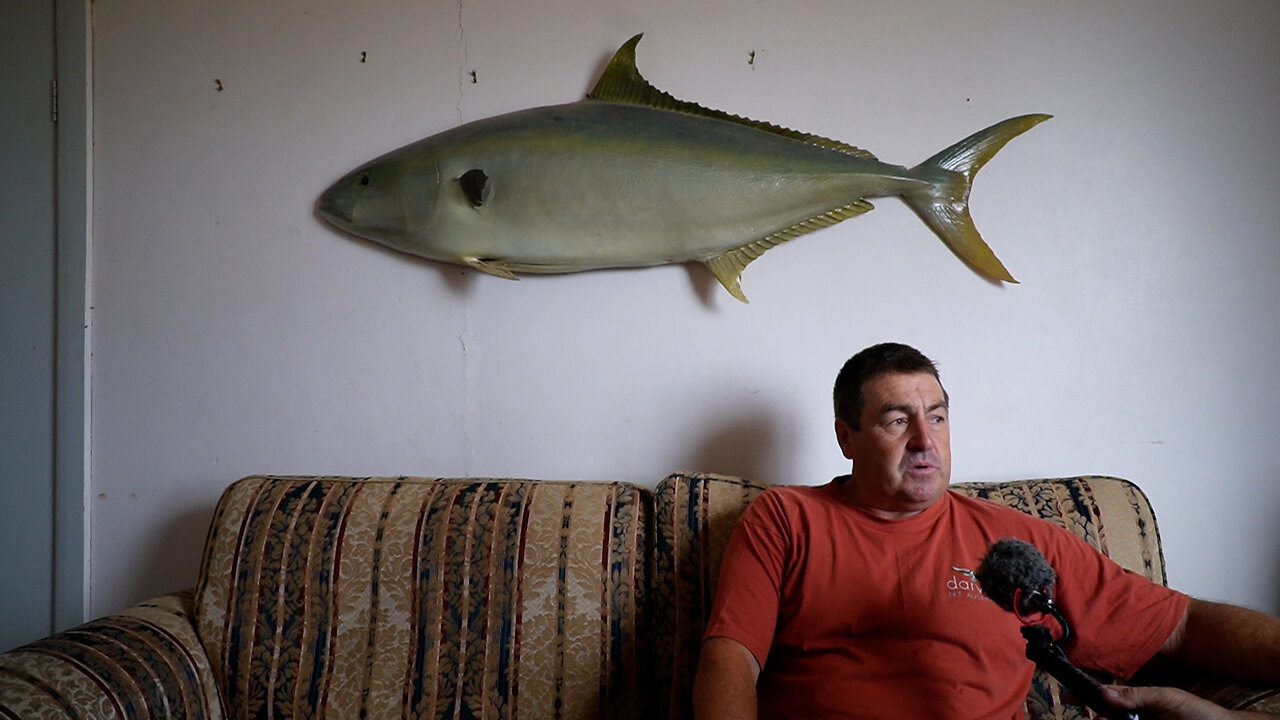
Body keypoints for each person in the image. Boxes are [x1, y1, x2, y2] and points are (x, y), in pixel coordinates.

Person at [692, 342, 1280, 720]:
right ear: (847, 438)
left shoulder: (1015, 540)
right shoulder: (787, 519)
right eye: (897, 420)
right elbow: (731, 660)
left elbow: (1181, 625)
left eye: (938, 417)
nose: (925, 440)